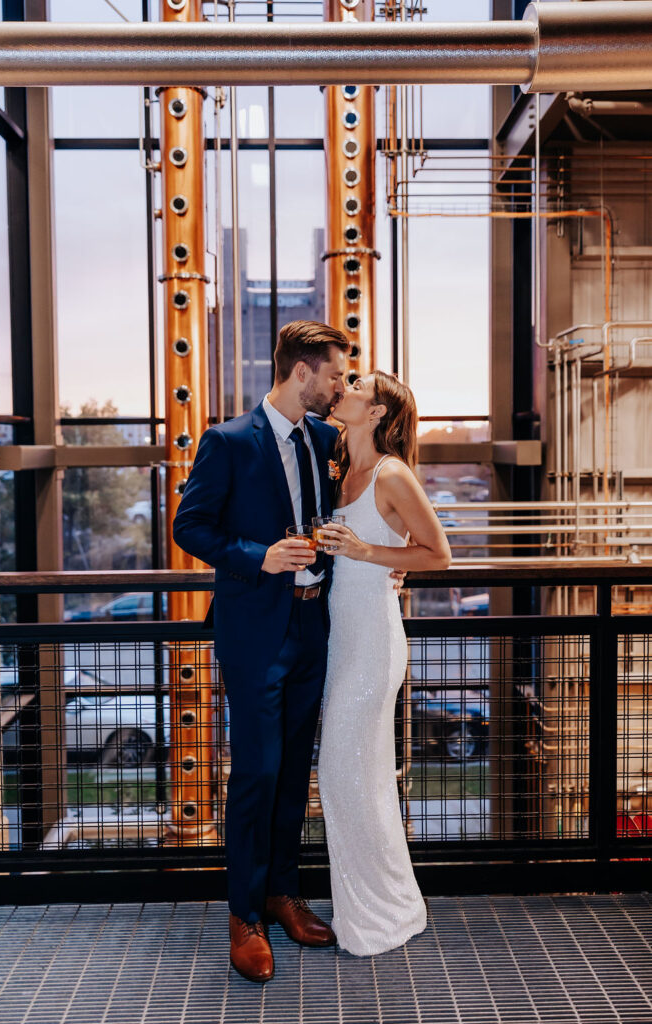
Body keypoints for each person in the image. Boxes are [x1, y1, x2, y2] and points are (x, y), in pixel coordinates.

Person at [173, 322, 404, 983]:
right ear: (302, 372)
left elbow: (374, 492)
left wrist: (393, 558)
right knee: (256, 772)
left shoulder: (325, 439)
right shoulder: (227, 442)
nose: (339, 387)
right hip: (254, 636)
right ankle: (243, 914)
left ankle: (282, 892)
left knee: (295, 768)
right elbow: (190, 526)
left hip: (315, 630)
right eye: (334, 375)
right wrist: (259, 557)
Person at [317, 370, 452, 957]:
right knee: (359, 777)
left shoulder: (392, 473)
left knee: (345, 774)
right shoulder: (339, 467)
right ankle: (382, 900)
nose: (342, 388)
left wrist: (369, 553)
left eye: (355, 385)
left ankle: (382, 909)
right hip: (337, 638)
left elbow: (438, 554)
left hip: (373, 641)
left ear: (375, 413)